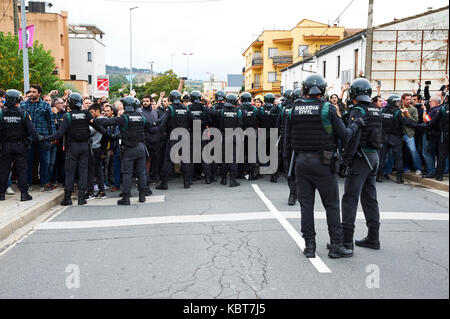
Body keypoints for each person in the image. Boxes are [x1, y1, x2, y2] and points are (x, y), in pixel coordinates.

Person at [283, 74, 366, 259]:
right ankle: (336, 245)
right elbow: (344, 135)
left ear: (305, 90)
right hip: (323, 162)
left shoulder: (293, 109)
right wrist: (356, 125)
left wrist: (288, 165)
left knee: (306, 206)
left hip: (301, 163)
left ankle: (309, 247)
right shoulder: (328, 108)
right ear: (322, 90)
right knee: (331, 205)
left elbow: (287, 142)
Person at [339, 78, 382, 252]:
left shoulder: (358, 110)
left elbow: (352, 138)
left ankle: (346, 241)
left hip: (360, 158)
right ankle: (373, 237)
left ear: (353, 93)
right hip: (374, 157)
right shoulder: (375, 110)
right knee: (369, 196)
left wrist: (345, 160)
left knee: (350, 198)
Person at [95, 97, 160, 205]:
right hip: (140, 147)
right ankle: (142, 195)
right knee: (141, 172)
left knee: (127, 173)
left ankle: (126, 197)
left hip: (129, 149)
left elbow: (107, 121)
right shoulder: (141, 117)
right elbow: (151, 125)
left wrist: (94, 120)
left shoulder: (124, 118)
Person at [46, 93, 104, 206]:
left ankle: (67, 198)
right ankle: (81, 198)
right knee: (83, 172)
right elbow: (97, 127)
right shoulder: (86, 114)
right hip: (84, 146)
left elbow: (60, 133)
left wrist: (46, 138)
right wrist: (109, 136)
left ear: (70, 103)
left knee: (70, 172)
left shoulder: (67, 116)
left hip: (72, 147)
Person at [0, 90, 45, 201]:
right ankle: (24, 194)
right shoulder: (23, 113)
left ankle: (1, 194)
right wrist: (42, 140)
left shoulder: (1, 113)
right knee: (22, 170)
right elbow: (32, 131)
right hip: (20, 146)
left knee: (4, 170)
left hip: (5, 146)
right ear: (18, 100)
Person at [377, 95, 420, 184]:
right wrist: (418, 125)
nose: (398, 103)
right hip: (395, 137)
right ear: (393, 102)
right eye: (397, 102)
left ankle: (379, 177)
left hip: (384, 137)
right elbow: (406, 122)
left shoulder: (382, 110)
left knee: (382, 157)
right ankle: (399, 179)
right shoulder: (397, 112)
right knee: (398, 158)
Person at [21, 84, 55, 192]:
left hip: (43, 138)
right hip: (28, 139)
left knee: (44, 161)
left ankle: (44, 183)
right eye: (30, 92)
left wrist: (52, 136)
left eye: (34, 92)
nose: (31, 94)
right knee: (28, 161)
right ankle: (28, 184)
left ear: (39, 93)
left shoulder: (45, 106)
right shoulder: (23, 105)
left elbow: (50, 122)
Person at [156, 90, 192, 190]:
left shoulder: (170, 108)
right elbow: (194, 120)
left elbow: (162, 121)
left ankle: (164, 183)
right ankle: (186, 182)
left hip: (173, 136)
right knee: (185, 159)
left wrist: (162, 131)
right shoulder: (185, 108)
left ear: (170, 98)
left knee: (168, 159)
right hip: (184, 136)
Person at [218, 94, 243, 187]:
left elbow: (221, 125)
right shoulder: (238, 111)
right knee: (233, 159)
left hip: (225, 136)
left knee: (224, 159)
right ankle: (233, 180)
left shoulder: (222, 111)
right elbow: (240, 125)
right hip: (235, 136)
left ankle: (224, 179)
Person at [422, 94, 448, 180]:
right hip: (440, 134)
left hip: (436, 134)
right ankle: (441, 172)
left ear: (436, 102)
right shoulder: (442, 108)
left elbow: (427, 120)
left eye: (430, 101)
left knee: (431, 154)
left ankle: (435, 173)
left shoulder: (438, 109)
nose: (429, 103)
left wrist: (424, 111)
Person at [277, 89, 297, 206]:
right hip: (290, 141)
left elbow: (278, 125)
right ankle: (294, 192)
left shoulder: (285, 109)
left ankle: (294, 192)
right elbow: (279, 125)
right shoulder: (285, 109)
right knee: (292, 169)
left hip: (289, 142)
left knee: (289, 168)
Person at [189, 90, 212, 184]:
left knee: (191, 157)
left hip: (192, 133)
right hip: (202, 132)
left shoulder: (188, 108)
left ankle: (190, 178)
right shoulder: (204, 108)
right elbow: (209, 121)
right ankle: (207, 178)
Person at [86, 103, 107, 199]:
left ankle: (90, 192)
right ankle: (101, 191)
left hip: (93, 148)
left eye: (92, 112)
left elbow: (89, 132)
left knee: (91, 171)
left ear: (97, 111)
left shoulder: (97, 121)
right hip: (99, 148)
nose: (91, 114)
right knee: (98, 170)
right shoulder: (104, 120)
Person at [400, 93, 422, 175]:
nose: (409, 101)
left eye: (410, 99)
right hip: (399, 133)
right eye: (407, 99)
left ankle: (418, 168)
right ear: (403, 99)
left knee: (413, 151)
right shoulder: (398, 108)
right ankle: (403, 167)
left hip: (409, 133)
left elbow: (415, 122)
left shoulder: (413, 109)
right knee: (398, 152)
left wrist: (408, 115)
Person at [239, 92, 259, 180]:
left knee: (241, 154)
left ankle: (241, 173)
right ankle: (252, 173)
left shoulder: (239, 109)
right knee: (251, 154)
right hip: (252, 132)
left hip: (241, 132)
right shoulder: (254, 109)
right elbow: (259, 119)